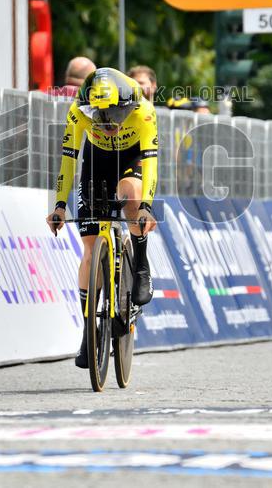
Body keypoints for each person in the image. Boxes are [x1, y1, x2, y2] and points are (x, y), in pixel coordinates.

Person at [46, 68, 158, 368]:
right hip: (97, 163)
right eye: (99, 116)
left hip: (130, 161)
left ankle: (141, 263)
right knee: (90, 248)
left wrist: (146, 204)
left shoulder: (143, 111)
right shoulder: (78, 111)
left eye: (113, 116)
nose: (107, 124)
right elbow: (68, 159)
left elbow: (150, 164)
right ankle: (89, 331)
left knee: (130, 196)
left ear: (126, 107)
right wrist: (58, 204)